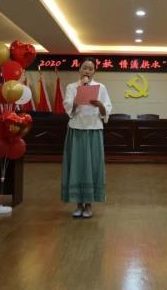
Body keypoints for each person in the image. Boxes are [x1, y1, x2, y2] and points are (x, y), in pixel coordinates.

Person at [61, 58, 112, 218]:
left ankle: (89, 205)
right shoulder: (71, 87)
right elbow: (68, 107)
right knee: (77, 166)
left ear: (94, 71)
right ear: (79, 70)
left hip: (94, 130)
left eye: (90, 69)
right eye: (84, 68)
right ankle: (78, 204)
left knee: (92, 166)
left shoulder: (101, 87)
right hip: (76, 130)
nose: (87, 71)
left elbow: (107, 110)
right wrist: (78, 98)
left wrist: (100, 105)